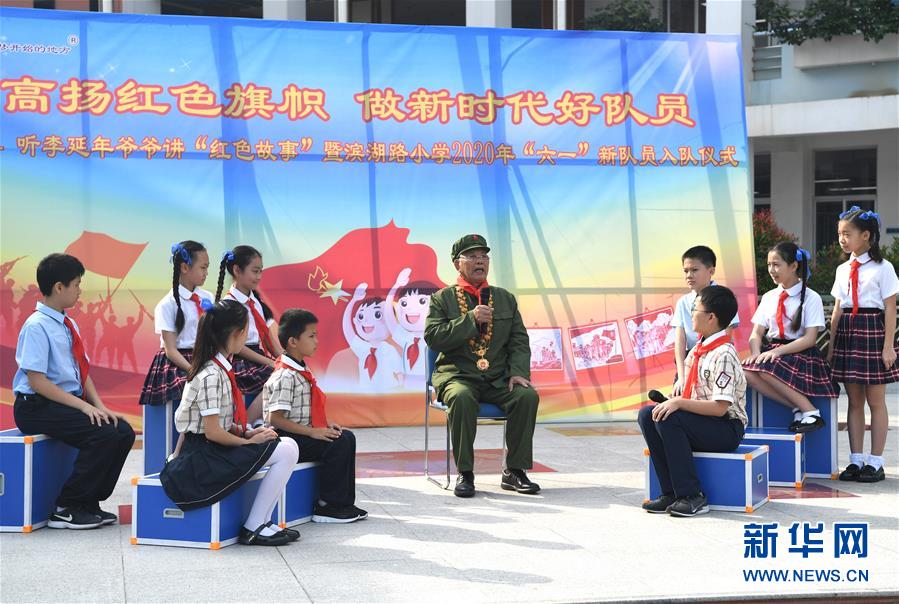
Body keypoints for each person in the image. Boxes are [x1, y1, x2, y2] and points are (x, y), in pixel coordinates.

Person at [160, 299, 299, 546]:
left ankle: (262, 522)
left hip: (210, 451)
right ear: (237, 333)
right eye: (246, 330)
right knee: (287, 450)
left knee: (286, 444)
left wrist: (246, 433)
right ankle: (254, 526)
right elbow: (213, 432)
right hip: (202, 460)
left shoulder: (219, 368)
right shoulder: (211, 374)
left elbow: (218, 425)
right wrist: (249, 442)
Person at [13, 253, 135, 529]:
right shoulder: (36, 326)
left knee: (123, 431)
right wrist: (83, 406)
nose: (80, 290)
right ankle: (67, 506)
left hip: (63, 403)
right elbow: (37, 382)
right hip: (36, 406)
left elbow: (82, 371)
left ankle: (88, 501)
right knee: (102, 434)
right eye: (77, 284)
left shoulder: (69, 323)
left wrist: (100, 406)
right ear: (59, 287)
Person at [424, 234, 540, 498]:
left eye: (484, 256)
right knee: (462, 397)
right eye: (473, 256)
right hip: (458, 375)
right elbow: (434, 337)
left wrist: (518, 372)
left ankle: (515, 471)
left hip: (498, 378)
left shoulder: (505, 298)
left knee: (526, 396)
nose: (480, 261)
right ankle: (465, 473)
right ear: (457, 263)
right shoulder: (442, 299)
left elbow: (519, 340)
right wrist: (469, 320)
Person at [638, 285, 747, 517]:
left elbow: (719, 409)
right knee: (648, 415)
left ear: (711, 317)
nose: (691, 315)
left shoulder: (724, 354)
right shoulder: (697, 350)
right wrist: (672, 401)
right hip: (702, 423)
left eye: (695, 309)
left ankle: (692, 496)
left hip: (726, 429)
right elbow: (690, 397)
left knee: (671, 417)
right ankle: (670, 493)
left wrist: (678, 404)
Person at [263, 308, 367, 523]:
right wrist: (313, 432)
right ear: (293, 341)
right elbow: (275, 419)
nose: (316, 341)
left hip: (303, 433)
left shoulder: (301, 369)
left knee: (346, 437)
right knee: (337, 444)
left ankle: (343, 503)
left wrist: (325, 426)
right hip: (288, 439)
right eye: (311, 336)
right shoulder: (285, 375)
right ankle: (327, 505)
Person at [828, 207, 899, 483]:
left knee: (875, 401)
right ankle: (856, 460)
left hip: (872, 330)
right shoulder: (842, 269)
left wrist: (888, 346)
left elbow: (890, 308)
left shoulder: (884, 268)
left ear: (866, 235)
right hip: (848, 331)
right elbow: (837, 310)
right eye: (839, 234)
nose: (842, 239)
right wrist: (832, 347)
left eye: (847, 234)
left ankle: (876, 462)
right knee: (854, 401)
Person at [743, 242, 837, 432]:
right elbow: (756, 333)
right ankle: (797, 407)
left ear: (794, 266)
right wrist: (755, 353)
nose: (771, 270)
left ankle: (811, 412)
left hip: (801, 353)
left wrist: (776, 353)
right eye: (769, 265)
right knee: (745, 373)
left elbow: (810, 339)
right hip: (774, 352)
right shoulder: (769, 296)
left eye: (776, 265)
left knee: (765, 370)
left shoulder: (811, 297)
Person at [139, 241, 214, 408]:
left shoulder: (207, 297)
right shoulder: (167, 304)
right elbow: (170, 350)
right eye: (203, 268)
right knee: (192, 390)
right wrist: (195, 371)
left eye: (207, 268)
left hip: (204, 357)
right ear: (185, 267)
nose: (207, 273)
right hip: (178, 362)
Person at [215, 246, 283, 422]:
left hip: (257, 357)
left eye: (261, 271)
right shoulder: (228, 304)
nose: (259, 277)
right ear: (237, 270)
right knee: (279, 377)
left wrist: (285, 360)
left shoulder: (255, 301)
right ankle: (246, 423)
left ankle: (264, 422)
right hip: (239, 360)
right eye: (254, 271)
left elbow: (267, 338)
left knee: (292, 372)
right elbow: (236, 347)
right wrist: (270, 362)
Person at [670, 246, 739, 395]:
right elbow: (680, 341)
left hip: (714, 359)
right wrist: (681, 377)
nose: (689, 275)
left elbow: (726, 336)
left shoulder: (723, 298)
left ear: (711, 271)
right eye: (686, 271)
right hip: (690, 360)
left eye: (694, 270)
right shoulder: (683, 302)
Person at [341, 284, 402, 391]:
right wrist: (353, 301)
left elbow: (399, 371)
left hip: (390, 391)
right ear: (355, 320)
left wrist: (402, 389)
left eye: (377, 315)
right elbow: (347, 329)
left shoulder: (389, 350)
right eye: (361, 316)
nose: (366, 321)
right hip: (366, 393)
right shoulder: (362, 347)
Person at [385, 268, 438, 388]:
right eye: (404, 303)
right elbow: (389, 316)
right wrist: (396, 286)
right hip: (408, 383)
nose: (410, 309)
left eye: (422, 301)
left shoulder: (438, 335)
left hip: (433, 383)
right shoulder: (406, 337)